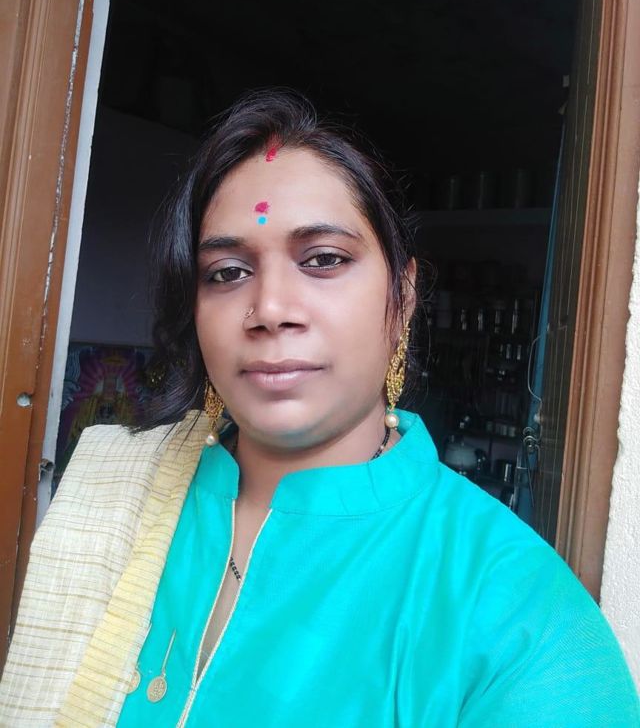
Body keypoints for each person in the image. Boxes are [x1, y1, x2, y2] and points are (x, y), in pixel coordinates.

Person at [0, 90, 638, 727]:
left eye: (324, 259)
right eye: (227, 272)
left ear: (403, 298)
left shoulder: (525, 620)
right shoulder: (113, 503)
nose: (271, 309)